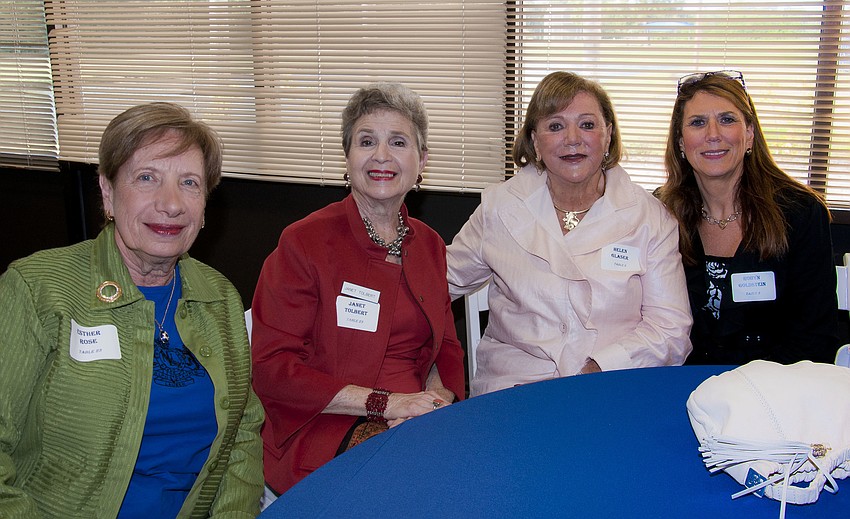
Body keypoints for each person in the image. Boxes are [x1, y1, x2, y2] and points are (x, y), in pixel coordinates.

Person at [0, 102, 264, 518]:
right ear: (107, 191)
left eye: (190, 183)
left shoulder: (218, 296)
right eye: (147, 178)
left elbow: (243, 432)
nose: (171, 204)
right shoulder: (38, 289)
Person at [251, 82, 465, 502]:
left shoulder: (429, 245)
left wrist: (434, 404)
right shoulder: (304, 242)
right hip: (320, 424)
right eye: (367, 141)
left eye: (398, 142)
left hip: (413, 422)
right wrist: (388, 405)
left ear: (421, 162)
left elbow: (447, 351)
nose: (381, 156)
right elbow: (273, 369)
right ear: (347, 158)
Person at [446, 71, 693, 397]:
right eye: (555, 126)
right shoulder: (501, 207)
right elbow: (435, 285)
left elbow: (670, 329)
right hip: (514, 390)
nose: (572, 138)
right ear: (535, 140)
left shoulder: (650, 218)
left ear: (608, 136)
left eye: (588, 125)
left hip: (611, 384)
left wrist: (593, 370)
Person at [657, 70, 840, 365]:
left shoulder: (799, 213)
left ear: (750, 133)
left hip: (772, 389)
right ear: (680, 142)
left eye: (727, 119)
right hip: (679, 384)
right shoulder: (660, 214)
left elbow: (816, 338)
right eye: (697, 123)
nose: (713, 134)